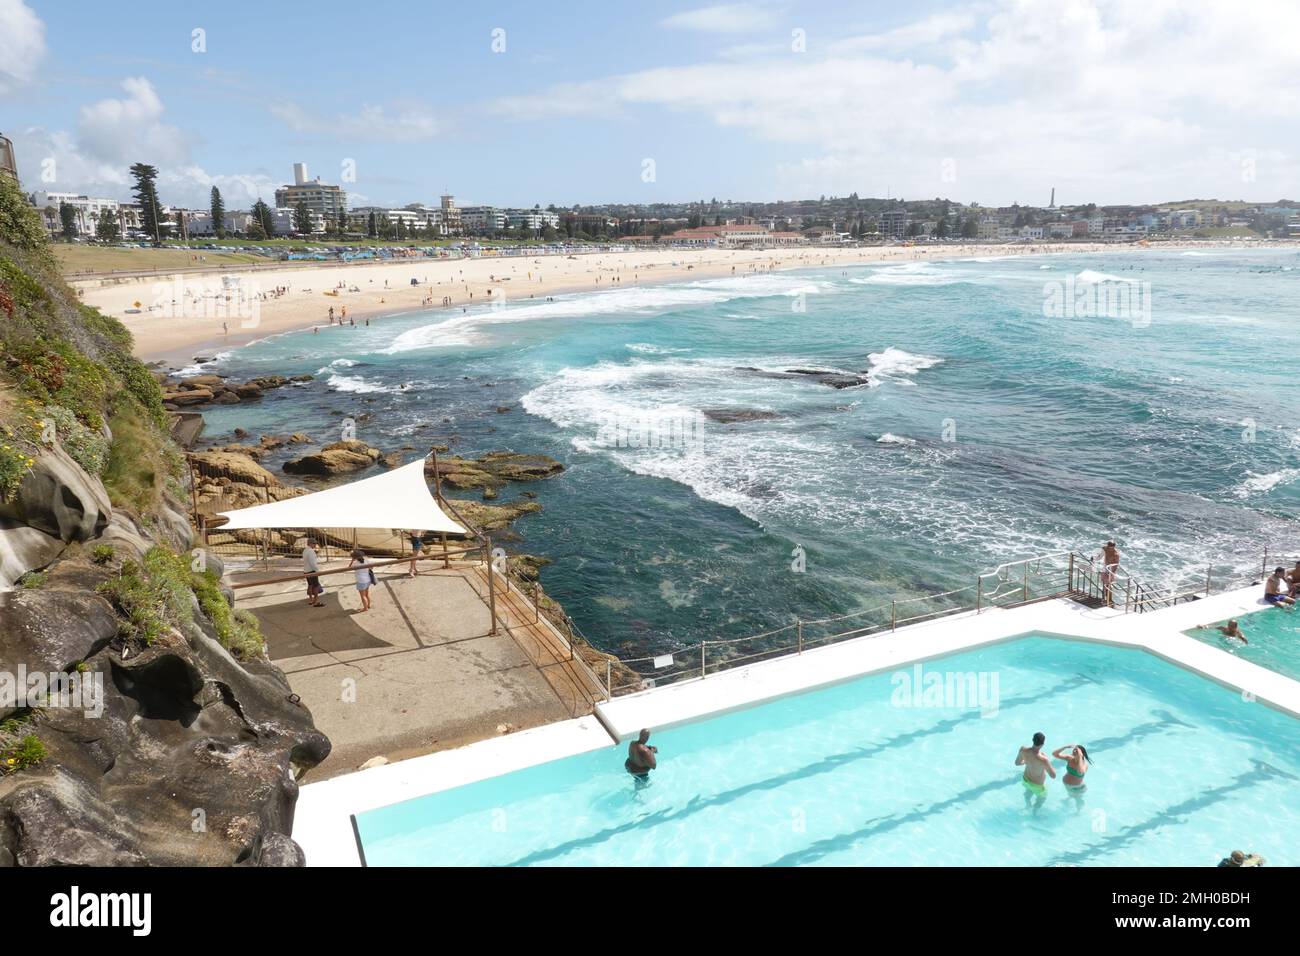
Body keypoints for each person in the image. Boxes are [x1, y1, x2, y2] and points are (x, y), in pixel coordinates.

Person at [1016, 732, 1055, 811]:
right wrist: (1047, 761)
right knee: (1042, 799)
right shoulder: (1043, 759)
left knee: (1028, 791)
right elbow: (1053, 775)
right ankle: (1034, 813)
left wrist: (1026, 762)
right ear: (1042, 744)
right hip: (1037, 786)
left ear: (1032, 740)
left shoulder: (1023, 750)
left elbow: (1017, 763)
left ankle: (1027, 805)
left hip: (1026, 780)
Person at [303, 538, 324, 607]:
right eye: (314, 543)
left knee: (310, 585)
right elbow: (313, 563)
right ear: (310, 544)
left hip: (306, 571)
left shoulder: (305, 550)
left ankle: (311, 600)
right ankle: (316, 601)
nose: (315, 545)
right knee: (315, 586)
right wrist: (317, 571)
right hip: (312, 571)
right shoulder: (311, 551)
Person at [1099, 540, 1121, 605]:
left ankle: (1109, 600)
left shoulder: (1116, 554)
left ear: (1114, 547)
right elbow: (1100, 556)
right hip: (1104, 567)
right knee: (1104, 583)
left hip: (1111, 569)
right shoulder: (1105, 548)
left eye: (1111, 548)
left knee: (1109, 585)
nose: (1110, 549)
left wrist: (1111, 572)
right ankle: (1104, 598)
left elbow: (1116, 564)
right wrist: (1094, 558)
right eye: (1109, 547)